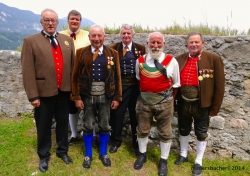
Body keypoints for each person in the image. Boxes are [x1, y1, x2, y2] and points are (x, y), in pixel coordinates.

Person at [21, 8, 74, 172]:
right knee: (43, 125)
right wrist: (33, 96)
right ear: (41, 22)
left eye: (53, 20)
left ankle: (62, 151)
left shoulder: (67, 40)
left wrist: (73, 90)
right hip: (43, 93)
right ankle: (44, 155)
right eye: (47, 20)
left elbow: (72, 67)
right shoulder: (30, 41)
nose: (50, 23)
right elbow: (28, 71)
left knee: (63, 122)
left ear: (58, 23)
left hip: (64, 91)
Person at [174, 32, 225, 176]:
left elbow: (219, 86)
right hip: (183, 101)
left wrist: (215, 107)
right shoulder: (179, 59)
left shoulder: (213, 59)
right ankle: (183, 155)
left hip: (202, 104)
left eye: (197, 42)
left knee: (201, 132)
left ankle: (198, 161)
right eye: (191, 42)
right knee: (183, 129)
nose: (194, 45)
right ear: (187, 44)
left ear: (203, 44)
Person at [71, 25, 122, 169]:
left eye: (99, 36)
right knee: (87, 126)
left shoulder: (113, 53)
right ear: (89, 37)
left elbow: (118, 77)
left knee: (105, 126)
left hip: (106, 97)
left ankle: (103, 153)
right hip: (87, 97)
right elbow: (74, 76)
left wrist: (117, 98)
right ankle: (88, 154)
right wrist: (77, 97)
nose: (96, 39)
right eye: (93, 36)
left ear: (104, 37)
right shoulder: (80, 53)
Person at [133, 32, 180, 176]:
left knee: (165, 133)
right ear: (147, 44)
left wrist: (169, 101)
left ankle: (163, 160)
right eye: (152, 42)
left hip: (165, 103)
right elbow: (138, 78)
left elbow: (176, 84)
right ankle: (142, 154)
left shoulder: (172, 61)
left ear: (163, 44)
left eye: (158, 43)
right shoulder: (139, 61)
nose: (155, 46)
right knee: (142, 130)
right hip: (143, 102)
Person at [109, 24, 146, 156]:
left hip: (136, 87)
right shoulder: (113, 49)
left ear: (132, 35)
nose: (126, 35)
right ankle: (116, 141)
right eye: (123, 33)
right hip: (120, 87)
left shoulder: (141, 49)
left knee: (135, 116)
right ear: (120, 35)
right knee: (117, 115)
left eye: (128, 33)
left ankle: (136, 144)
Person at [60, 10, 91, 144]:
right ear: (68, 20)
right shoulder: (59, 35)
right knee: (72, 109)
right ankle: (73, 134)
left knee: (89, 107)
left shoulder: (88, 35)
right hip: (67, 77)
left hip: (86, 77)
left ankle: (91, 133)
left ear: (80, 21)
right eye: (72, 19)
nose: (74, 21)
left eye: (77, 19)